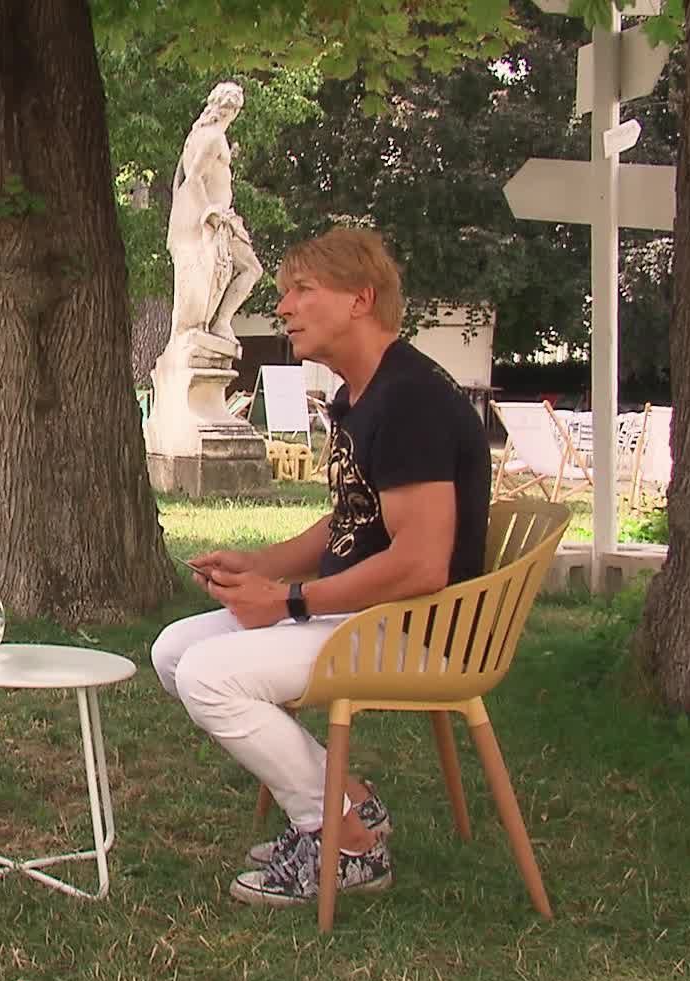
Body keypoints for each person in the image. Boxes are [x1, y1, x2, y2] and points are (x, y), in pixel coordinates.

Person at [152, 228, 492, 908]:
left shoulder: (410, 401)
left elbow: (422, 566)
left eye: (302, 290)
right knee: (175, 651)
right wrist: (258, 565)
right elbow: (348, 523)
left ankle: (342, 842)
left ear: (361, 299)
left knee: (211, 676)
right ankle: (352, 804)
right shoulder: (358, 395)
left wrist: (288, 602)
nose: (283, 308)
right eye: (284, 293)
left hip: (416, 628)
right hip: (363, 611)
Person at [167, 81, 262, 342]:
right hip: (215, 217)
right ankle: (221, 322)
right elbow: (194, 177)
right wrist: (208, 211)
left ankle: (216, 323)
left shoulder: (197, 135)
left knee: (221, 273)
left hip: (210, 217)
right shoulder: (213, 137)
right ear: (231, 110)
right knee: (251, 269)